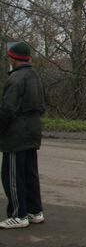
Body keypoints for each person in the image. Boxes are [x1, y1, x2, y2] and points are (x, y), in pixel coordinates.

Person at [0, 42, 46, 229]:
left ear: (14, 58)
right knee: (29, 174)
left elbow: (7, 111)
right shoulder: (35, 77)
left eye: (9, 57)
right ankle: (35, 211)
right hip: (33, 133)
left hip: (15, 136)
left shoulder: (15, 79)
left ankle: (18, 215)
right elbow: (43, 105)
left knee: (12, 176)